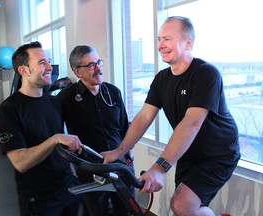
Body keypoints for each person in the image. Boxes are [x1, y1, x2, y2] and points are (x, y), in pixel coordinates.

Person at [101, 16, 241, 216]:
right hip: (189, 150)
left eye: (167, 39)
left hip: (218, 152)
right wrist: (120, 151)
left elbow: (191, 124)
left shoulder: (206, 74)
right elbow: (144, 117)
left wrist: (159, 168)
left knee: (181, 204)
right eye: (159, 39)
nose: (160, 45)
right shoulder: (161, 79)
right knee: (184, 207)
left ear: (188, 43)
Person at [0, 41, 83, 216]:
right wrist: (54, 139)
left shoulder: (53, 103)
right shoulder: (8, 110)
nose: (50, 67)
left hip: (68, 188)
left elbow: (59, 147)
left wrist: (73, 172)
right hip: (39, 199)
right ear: (24, 71)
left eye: (48, 60)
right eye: (42, 62)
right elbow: (20, 162)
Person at [56, 45, 133, 216]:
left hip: (120, 164)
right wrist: (70, 165)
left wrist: (129, 156)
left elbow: (124, 127)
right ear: (77, 71)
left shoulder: (113, 92)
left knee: (125, 210)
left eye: (98, 62)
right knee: (96, 212)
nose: (98, 68)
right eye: (91, 65)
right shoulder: (65, 99)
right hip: (89, 168)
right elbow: (59, 135)